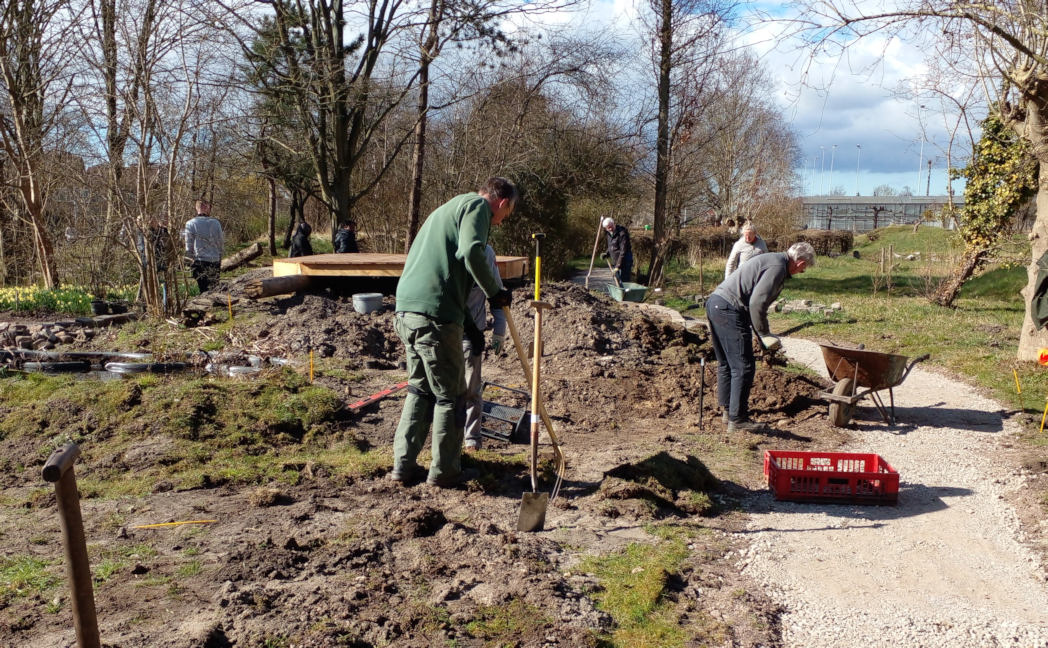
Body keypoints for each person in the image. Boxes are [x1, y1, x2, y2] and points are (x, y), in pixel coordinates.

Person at [390, 177, 516, 487]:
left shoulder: (448, 208)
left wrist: (472, 327)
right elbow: (472, 251)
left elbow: (447, 280)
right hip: (435, 317)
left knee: (419, 388)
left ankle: (402, 467)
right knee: (451, 396)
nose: (500, 223)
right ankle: (445, 471)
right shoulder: (477, 207)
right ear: (502, 203)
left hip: (408, 310)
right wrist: (494, 292)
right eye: (506, 215)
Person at [705, 241, 816, 432]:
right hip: (728, 309)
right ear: (800, 263)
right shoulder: (777, 267)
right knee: (743, 366)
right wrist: (764, 334)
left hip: (716, 303)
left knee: (727, 363)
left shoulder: (773, 260)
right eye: (804, 269)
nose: (801, 272)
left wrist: (761, 336)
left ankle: (728, 412)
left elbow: (753, 303)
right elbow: (757, 303)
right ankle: (737, 420)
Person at [462, 244, 507, 452]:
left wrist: (499, 330)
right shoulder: (443, 249)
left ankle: (471, 439)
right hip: (443, 332)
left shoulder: (486, 253)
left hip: (470, 337)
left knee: (471, 389)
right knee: (444, 392)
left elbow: (497, 294)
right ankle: (446, 440)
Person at [184, 199, 223, 293]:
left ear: (197, 208)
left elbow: (188, 244)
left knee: (203, 290)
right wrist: (220, 255)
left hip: (200, 260)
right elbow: (220, 242)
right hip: (214, 260)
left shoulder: (190, 223)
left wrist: (189, 258)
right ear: (207, 208)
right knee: (214, 288)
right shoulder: (215, 223)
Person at [600, 217, 633, 283]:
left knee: (624, 282)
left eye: (611, 226)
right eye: (608, 228)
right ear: (605, 228)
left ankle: (625, 293)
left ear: (613, 224)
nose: (610, 229)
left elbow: (623, 251)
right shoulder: (609, 234)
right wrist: (607, 253)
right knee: (617, 281)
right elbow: (611, 246)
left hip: (625, 261)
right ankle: (620, 293)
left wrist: (618, 266)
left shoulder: (622, 233)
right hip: (616, 261)